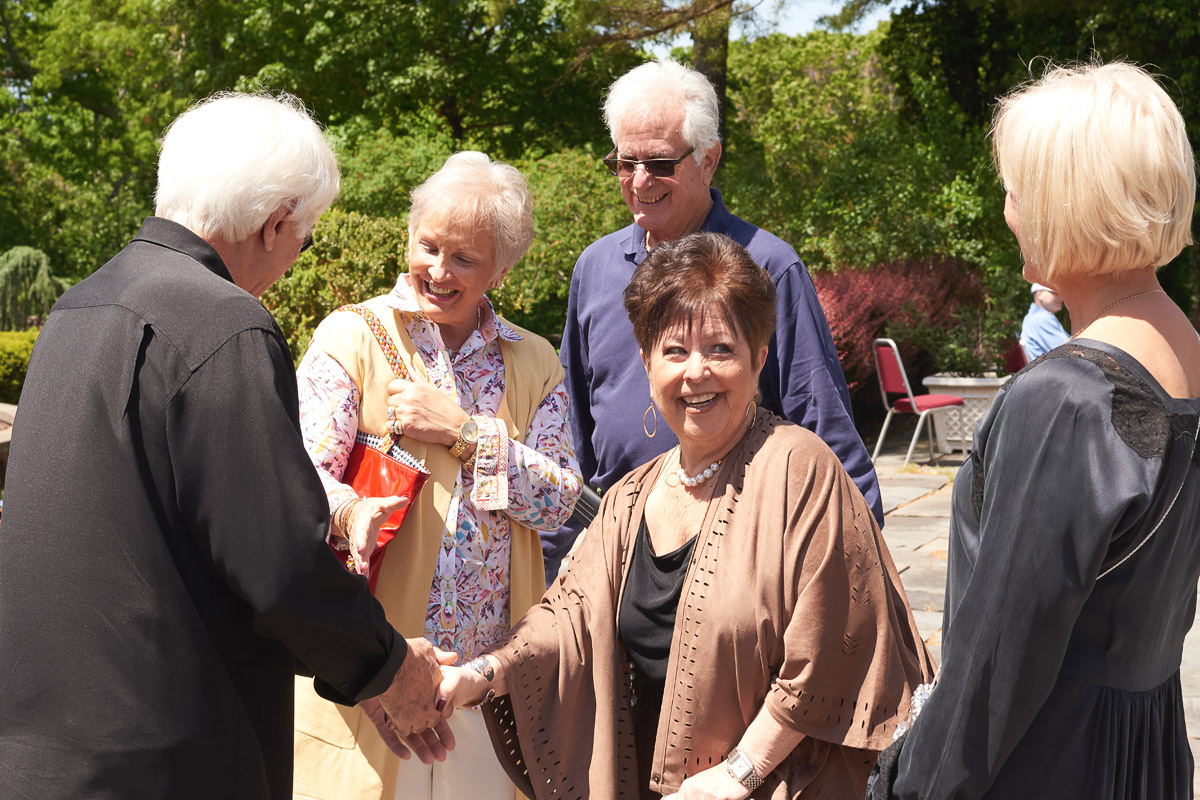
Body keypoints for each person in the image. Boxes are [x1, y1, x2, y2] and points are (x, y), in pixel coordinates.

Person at [0, 93, 453, 800]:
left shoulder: (74, 307)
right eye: (304, 238)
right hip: (171, 760)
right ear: (276, 222)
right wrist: (390, 668)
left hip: (41, 750)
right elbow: (279, 566)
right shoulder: (224, 323)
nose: (295, 261)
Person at [432, 232, 933, 799]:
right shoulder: (630, 497)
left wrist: (739, 773)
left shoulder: (801, 469)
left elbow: (840, 649)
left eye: (721, 349)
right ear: (646, 362)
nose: (697, 372)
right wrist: (480, 675)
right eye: (674, 351)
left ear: (758, 359)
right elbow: (565, 618)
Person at [873, 63, 1200, 799]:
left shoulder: (1066, 400)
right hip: (1145, 754)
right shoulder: (1187, 360)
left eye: (1018, 187)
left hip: (1046, 761)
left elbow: (996, 669)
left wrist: (908, 785)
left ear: (1068, 200)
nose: (1010, 209)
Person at [291, 151, 582, 800]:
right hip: (373, 681)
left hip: (486, 688)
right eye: (429, 247)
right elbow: (300, 480)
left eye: (465, 260)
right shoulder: (352, 337)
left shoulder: (533, 360)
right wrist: (352, 511)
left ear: (501, 268)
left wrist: (464, 432)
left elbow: (559, 502)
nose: (438, 270)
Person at [547, 59, 883, 579]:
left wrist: (860, 584)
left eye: (660, 163)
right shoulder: (595, 268)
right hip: (618, 559)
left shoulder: (767, 267)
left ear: (709, 159)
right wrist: (551, 575)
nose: (640, 181)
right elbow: (570, 440)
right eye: (625, 162)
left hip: (740, 565)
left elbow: (828, 438)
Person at [1020, 282, 1069, 359]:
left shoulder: (1033, 317)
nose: (1060, 298)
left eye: (1060, 293)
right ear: (1039, 294)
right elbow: (1069, 352)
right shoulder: (1042, 319)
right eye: (1055, 293)